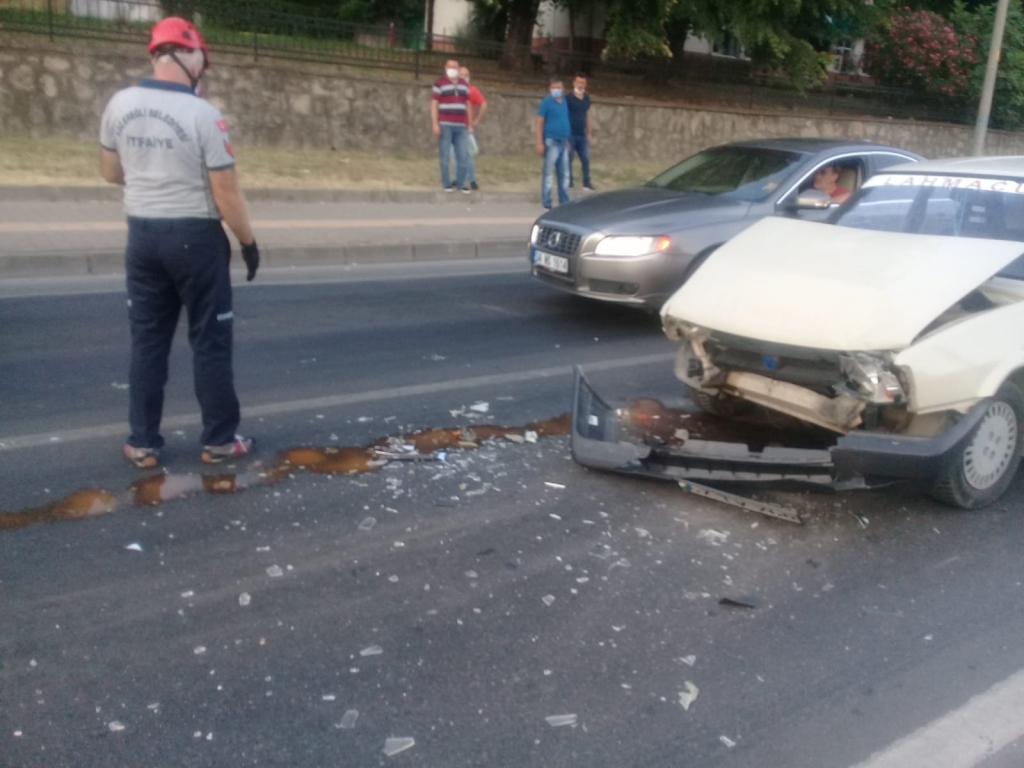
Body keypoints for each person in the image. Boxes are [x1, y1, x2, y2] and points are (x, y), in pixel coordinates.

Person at [99, 17, 259, 468]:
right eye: (202, 60)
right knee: (210, 341)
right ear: (188, 55)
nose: (203, 69)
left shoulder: (119, 103)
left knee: (148, 341)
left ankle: (142, 442)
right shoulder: (203, 115)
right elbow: (225, 191)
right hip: (195, 238)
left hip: (142, 235)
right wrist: (247, 241)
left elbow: (111, 172)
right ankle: (219, 441)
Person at [431, 58, 471, 194]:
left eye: (455, 67)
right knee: (445, 156)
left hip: (461, 126)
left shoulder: (464, 85)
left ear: (458, 69)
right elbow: (434, 104)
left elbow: (468, 104)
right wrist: (435, 123)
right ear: (445, 67)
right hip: (445, 125)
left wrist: (469, 123)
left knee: (463, 156)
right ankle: (446, 184)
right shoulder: (439, 83)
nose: (452, 69)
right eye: (450, 66)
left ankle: (460, 183)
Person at [536, 76, 571, 210]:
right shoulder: (546, 103)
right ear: (550, 88)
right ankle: (547, 201)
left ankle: (564, 200)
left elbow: (565, 119)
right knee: (549, 173)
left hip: (563, 141)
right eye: (554, 87)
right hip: (551, 141)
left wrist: (567, 140)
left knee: (564, 173)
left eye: (558, 87)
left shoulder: (564, 102)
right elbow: (539, 122)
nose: (556, 90)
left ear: (563, 88)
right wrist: (540, 142)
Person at [459, 65, 487, 191]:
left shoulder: (472, 90)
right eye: (461, 75)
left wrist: (477, 120)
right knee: (456, 155)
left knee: (468, 154)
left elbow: (483, 104)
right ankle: (460, 178)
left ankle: (472, 179)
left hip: (466, 127)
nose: (464, 77)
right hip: (455, 125)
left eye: (466, 75)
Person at [566, 73, 594, 191]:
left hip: (582, 134)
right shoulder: (568, 98)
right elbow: (565, 116)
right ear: (574, 83)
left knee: (586, 158)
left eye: (583, 83)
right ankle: (569, 183)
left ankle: (586, 183)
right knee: (569, 158)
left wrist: (589, 133)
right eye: (579, 82)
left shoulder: (586, 98)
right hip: (571, 133)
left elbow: (587, 115)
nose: (580, 85)